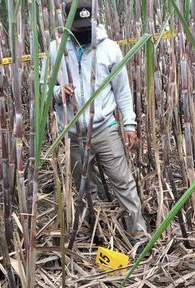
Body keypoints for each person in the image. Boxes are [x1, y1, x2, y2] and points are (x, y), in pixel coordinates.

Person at [44, 0, 148, 243]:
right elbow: (43, 87)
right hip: (72, 132)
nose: (83, 33)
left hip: (105, 128)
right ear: (67, 25)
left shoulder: (109, 48)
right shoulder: (55, 50)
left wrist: (129, 125)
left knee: (123, 182)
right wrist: (59, 93)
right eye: (78, 29)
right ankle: (96, 233)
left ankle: (139, 235)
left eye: (86, 27)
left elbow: (122, 90)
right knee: (85, 188)